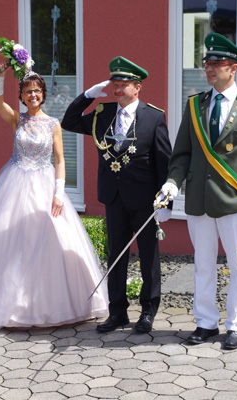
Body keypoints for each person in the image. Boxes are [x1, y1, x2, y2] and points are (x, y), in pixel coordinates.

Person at [0, 64, 108, 328]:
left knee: (48, 240)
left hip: (44, 186)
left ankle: (49, 305)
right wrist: (0, 76)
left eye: (37, 91)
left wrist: (59, 193)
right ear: (21, 96)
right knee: (7, 242)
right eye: (28, 91)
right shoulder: (17, 119)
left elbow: (60, 160)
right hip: (14, 184)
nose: (33, 95)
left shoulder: (53, 124)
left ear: (43, 94)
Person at [158, 32, 237, 350]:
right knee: (203, 264)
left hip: (235, 202)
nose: (208, 69)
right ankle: (206, 322)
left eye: (215, 64)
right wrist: (171, 184)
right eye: (206, 63)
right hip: (198, 199)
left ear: (233, 68)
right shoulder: (195, 105)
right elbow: (182, 154)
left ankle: (236, 325)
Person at [62, 56, 172, 334]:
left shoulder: (153, 116)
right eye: (115, 84)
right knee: (116, 256)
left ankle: (147, 311)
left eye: (123, 85)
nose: (117, 89)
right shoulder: (103, 114)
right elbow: (69, 122)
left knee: (148, 257)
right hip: (114, 197)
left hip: (145, 199)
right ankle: (118, 312)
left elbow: (164, 160)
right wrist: (87, 96)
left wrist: (166, 202)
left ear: (138, 87)